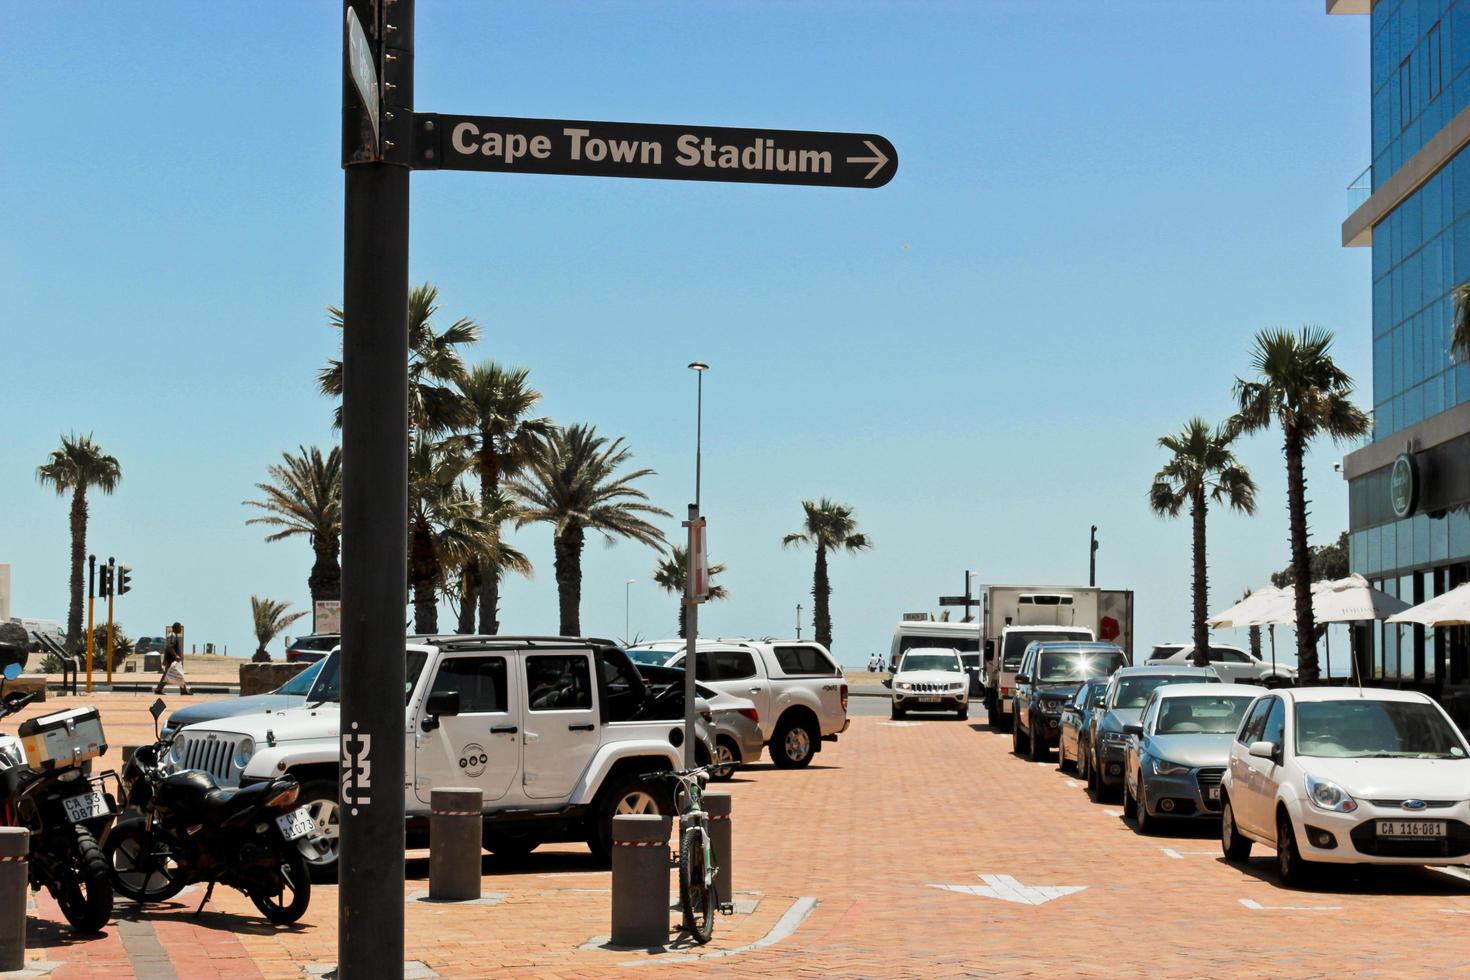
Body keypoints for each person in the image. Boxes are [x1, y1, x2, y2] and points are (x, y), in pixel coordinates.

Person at [155, 622, 191, 696]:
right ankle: (183, 690)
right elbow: (169, 647)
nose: (180, 629)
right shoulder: (172, 635)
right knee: (175, 675)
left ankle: (159, 689)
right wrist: (176, 656)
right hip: (171, 660)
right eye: (179, 627)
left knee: (174, 675)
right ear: (175, 628)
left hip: (172, 660)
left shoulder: (174, 635)